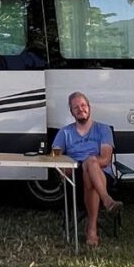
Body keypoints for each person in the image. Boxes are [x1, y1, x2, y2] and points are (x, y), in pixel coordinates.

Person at [52, 91, 123, 247]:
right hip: (76, 175)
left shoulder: (103, 129)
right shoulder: (65, 132)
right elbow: (55, 154)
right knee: (89, 172)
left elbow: (106, 159)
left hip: (102, 173)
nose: (80, 109)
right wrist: (62, 165)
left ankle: (92, 228)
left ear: (89, 107)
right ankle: (105, 204)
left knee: (91, 164)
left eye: (83, 105)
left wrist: (90, 163)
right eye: (76, 107)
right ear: (71, 112)